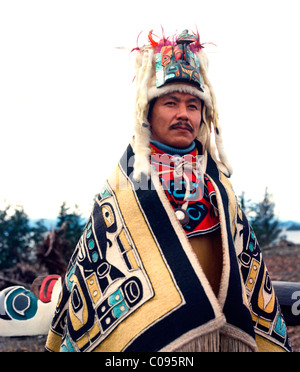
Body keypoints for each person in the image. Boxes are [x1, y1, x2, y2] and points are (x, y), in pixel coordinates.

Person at [45, 29, 292, 352]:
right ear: (148, 111)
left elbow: (248, 272)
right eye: (171, 102)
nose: (183, 114)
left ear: (203, 115)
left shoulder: (220, 188)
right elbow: (92, 277)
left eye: (193, 105)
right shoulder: (122, 190)